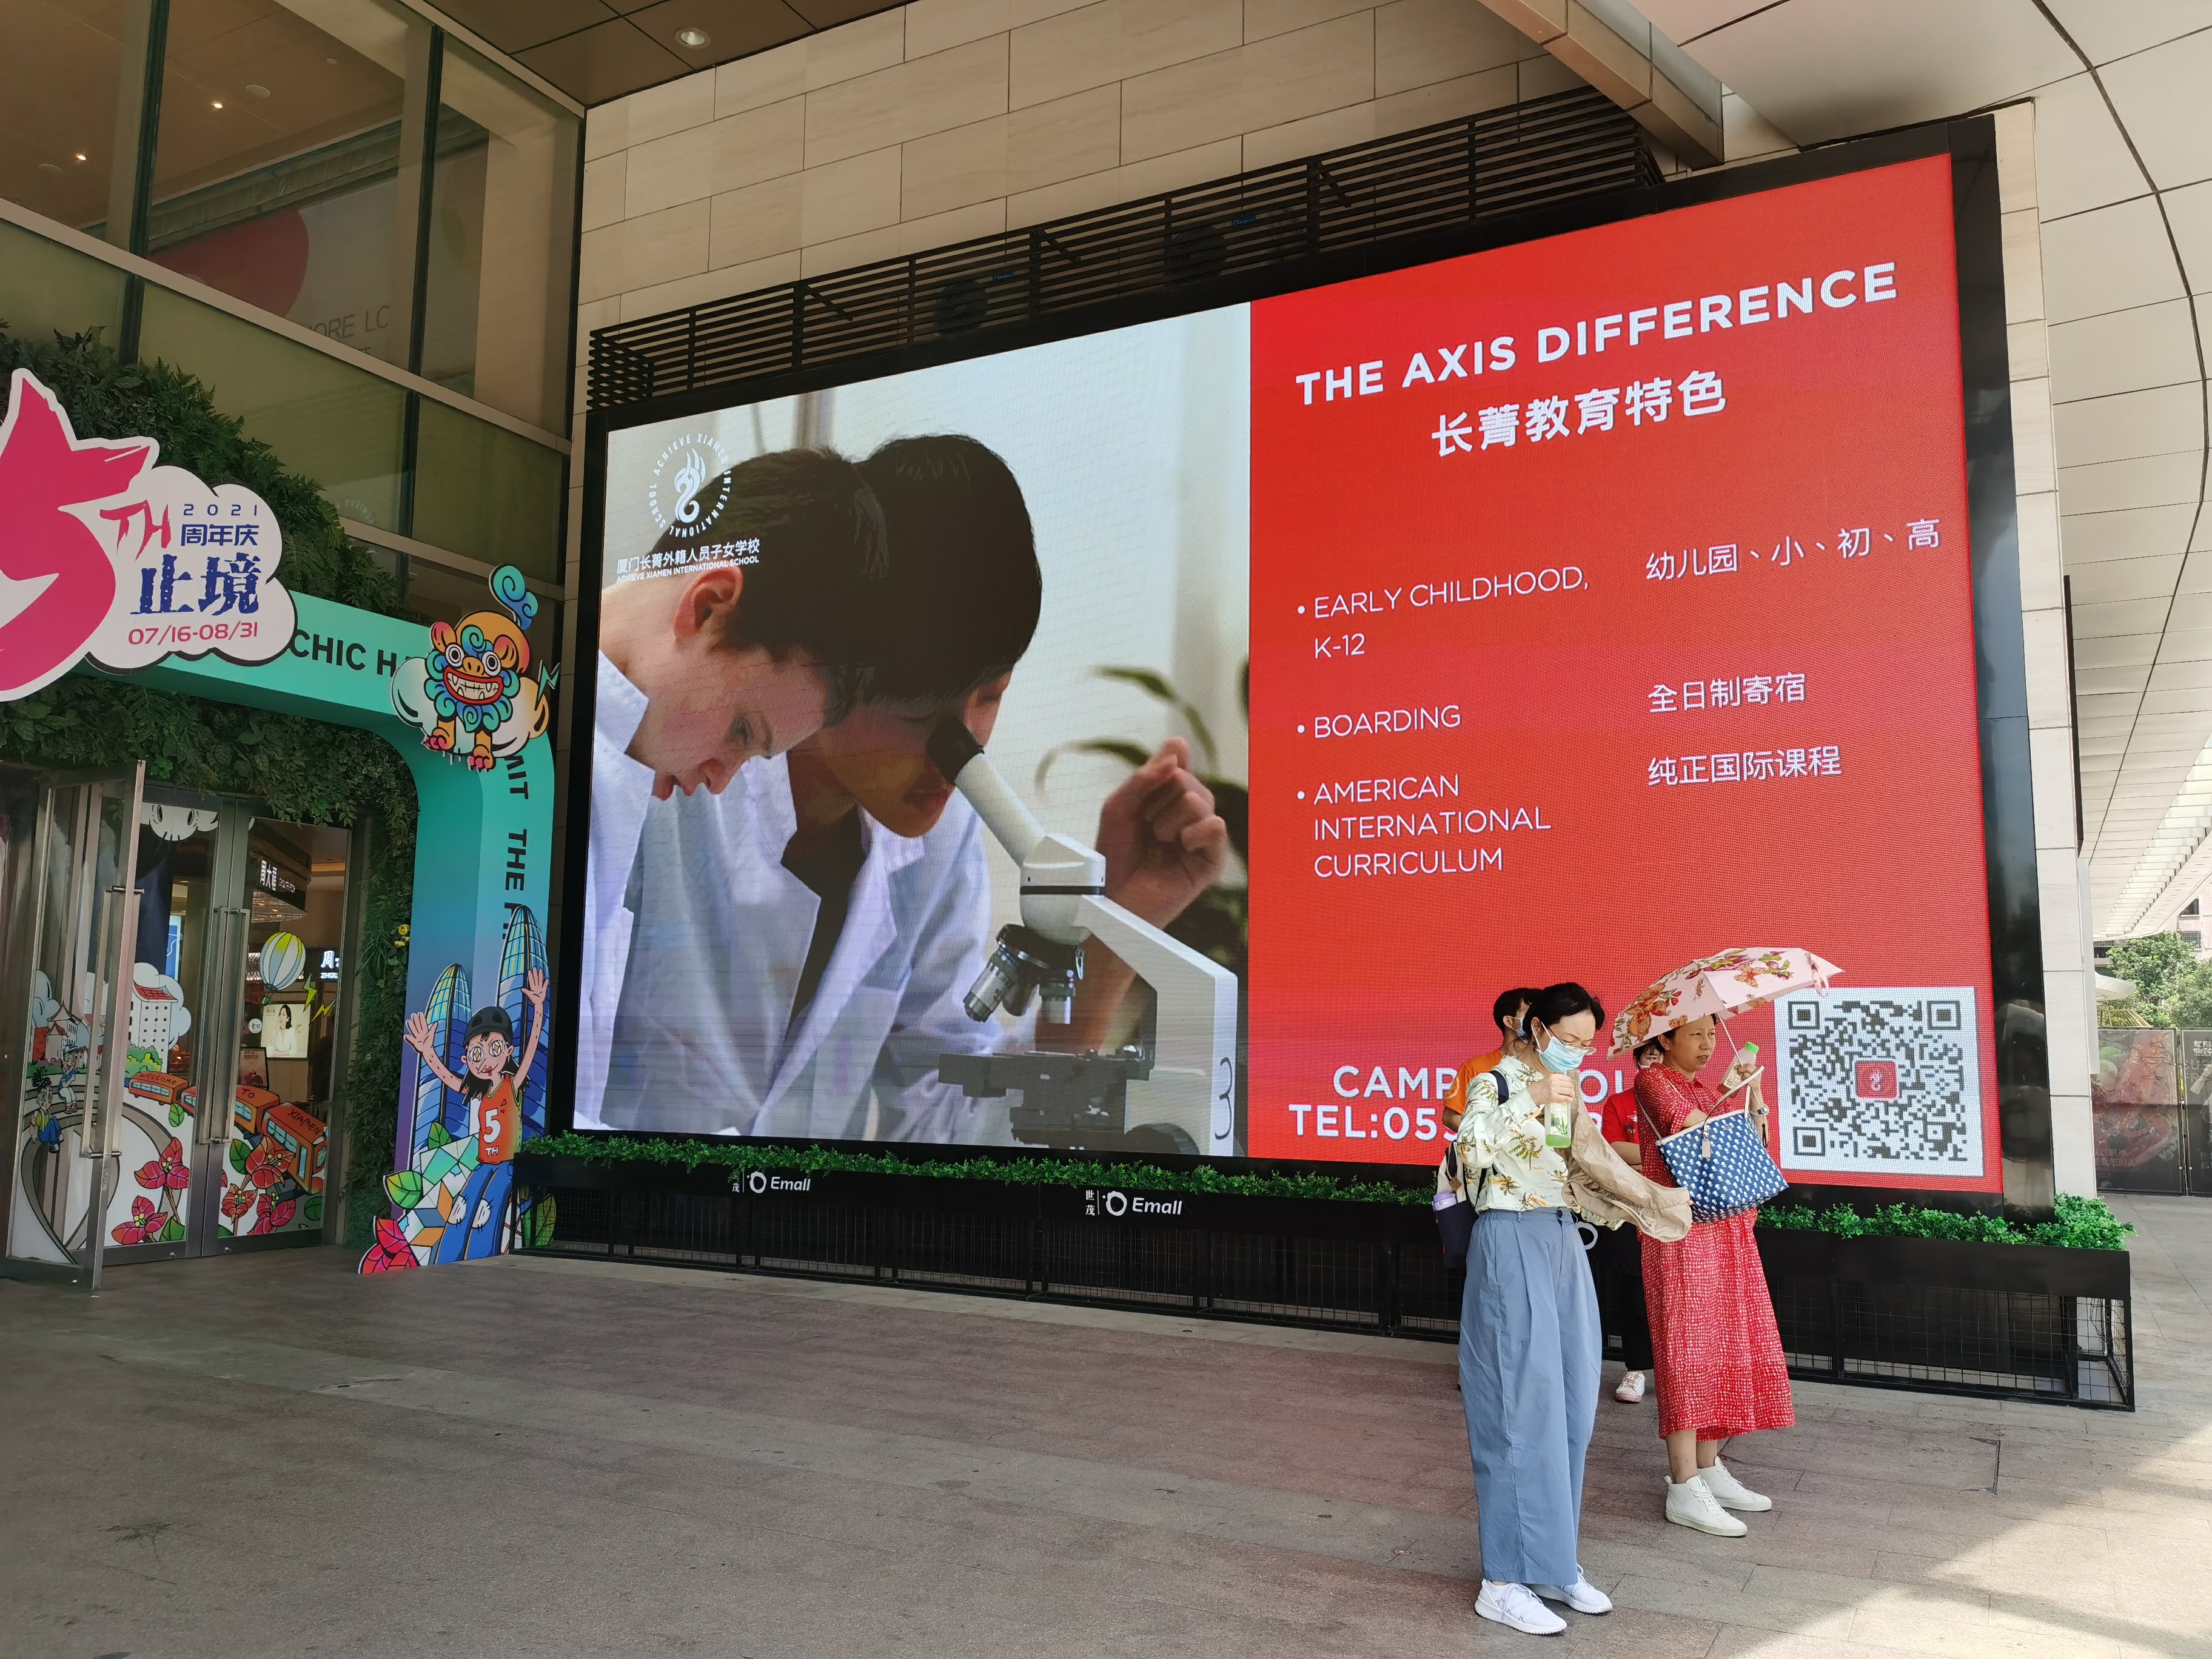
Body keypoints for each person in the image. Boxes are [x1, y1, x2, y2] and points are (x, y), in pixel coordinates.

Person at [604, 434, 1229, 1144]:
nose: (957, 762)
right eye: (918, 717)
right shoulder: (677, 771)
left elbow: (957, 1135)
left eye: (991, 696)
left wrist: (1119, 924)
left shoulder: (937, 839)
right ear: (838, 675)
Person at [576, 448, 890, 1130]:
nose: (720, 777)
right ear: (709, 603)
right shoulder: (519, 740)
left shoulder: (614, 765)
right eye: (744, 731)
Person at [1454, 982, 1614, 1636]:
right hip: (1508, 1236)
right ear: (1538, 1026)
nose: (1579, 1054)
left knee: (1573, 1400)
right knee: (1519, 1407)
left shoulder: (1560, 1085)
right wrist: (1531, 1097)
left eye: (1586, 1045)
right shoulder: (1494, 1082)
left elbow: (1556, 1162)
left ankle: (1552, 1561)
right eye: (1570, 1040)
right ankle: (1502, 1581)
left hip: (1559, 1236)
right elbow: (1470, 1154)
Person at [1634, 1013, 1794, 1536]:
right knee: (1686, 1351)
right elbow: (1695, 1128)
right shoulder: (1652, 1078)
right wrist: (1733, 1092)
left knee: (1722, 1345)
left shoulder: (1704, 1084)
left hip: (1725, 1230)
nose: (1706, 1045)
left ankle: (1709, 1466)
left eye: (1710, 1034)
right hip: (1680, 1234)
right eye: (1695, 1035)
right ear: (1665, 1038)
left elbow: (1753, 1142)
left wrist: (1755, 1091)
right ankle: (1683, 1484)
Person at [1597, 1071, 1657, 1403]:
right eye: (1645, 1056)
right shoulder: (1619, 1103)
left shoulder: (1685, 1101)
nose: (1653, 1063)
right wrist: (1662, 1153)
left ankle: (1678, 1371)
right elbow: (1612, 1150)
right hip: (1633, 1208)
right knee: (1634, 1294)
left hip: (1677, 1207)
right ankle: (1636, 1369)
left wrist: (1640, 1156)